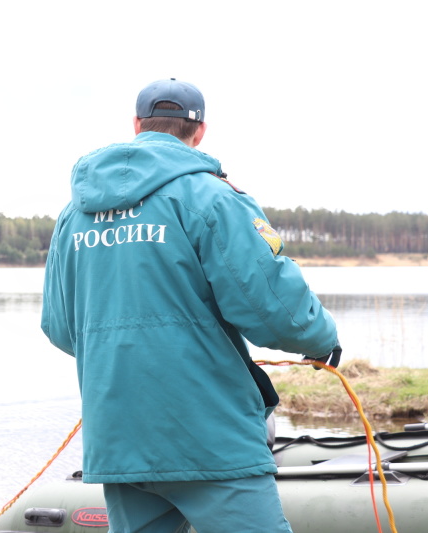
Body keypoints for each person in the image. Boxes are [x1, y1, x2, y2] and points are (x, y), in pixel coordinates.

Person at [41, 78, 341, 533]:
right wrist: (320, 339)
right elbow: (270, 302)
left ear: (137, 125)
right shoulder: (212, 197)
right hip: (208, 435)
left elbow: (61, 327)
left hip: (119, 435)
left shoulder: (73, 215)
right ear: (198, 132)